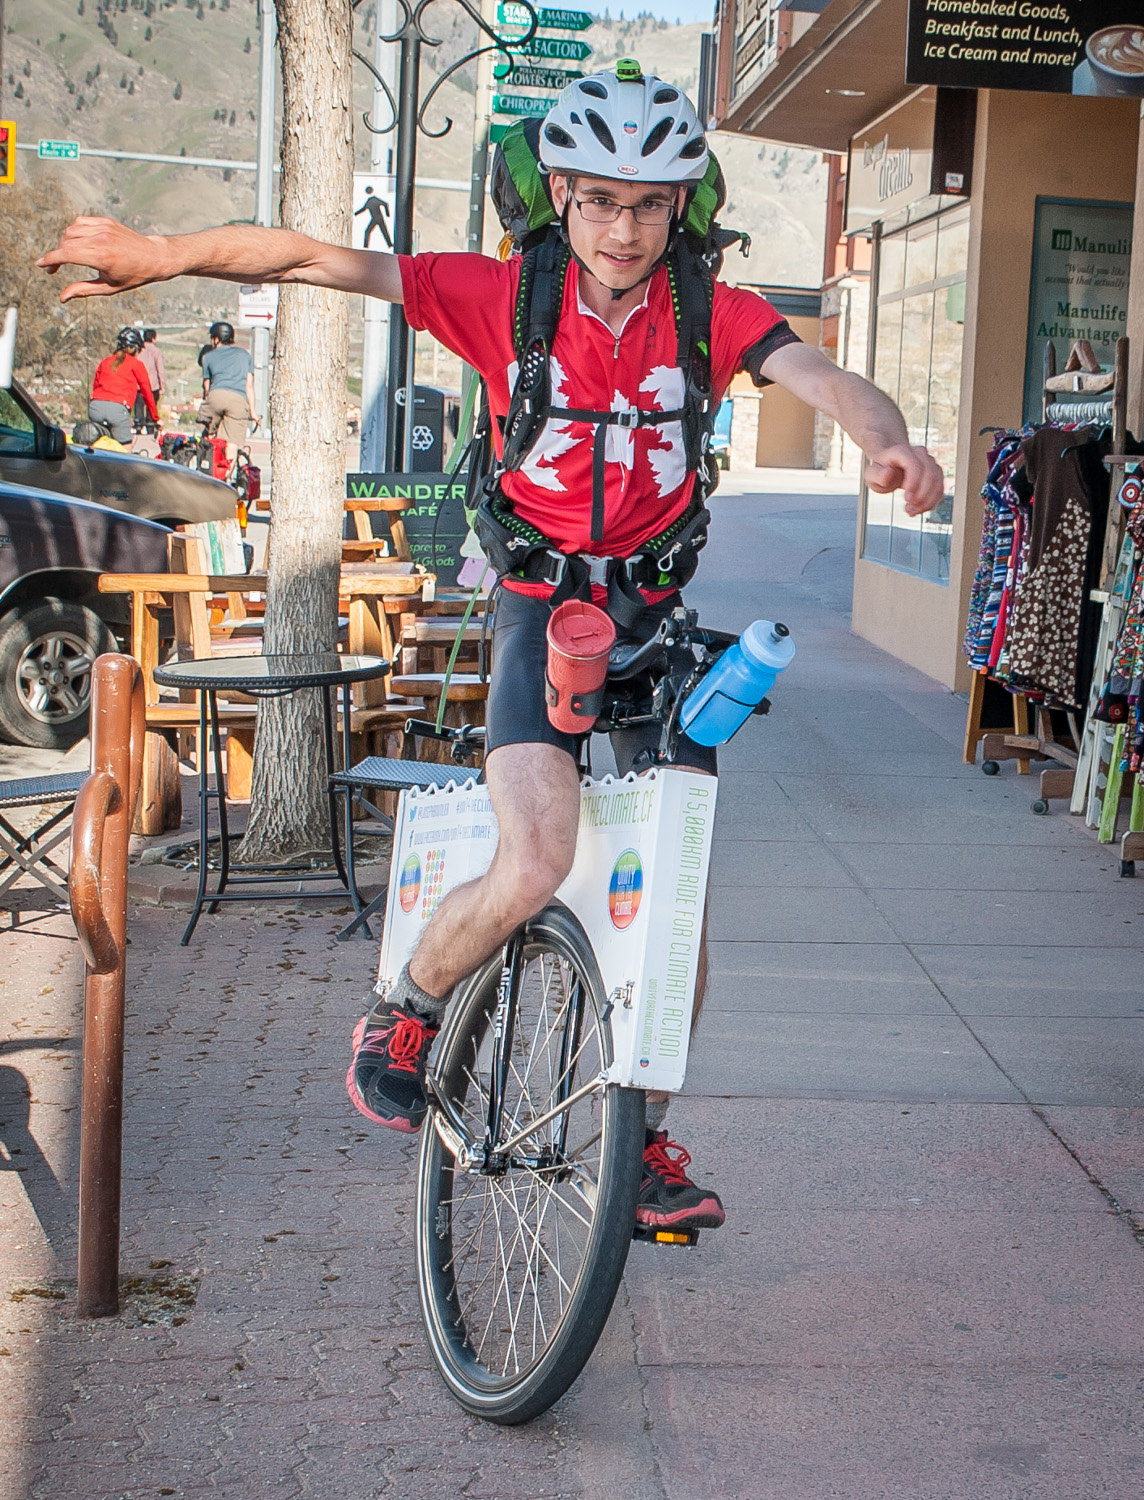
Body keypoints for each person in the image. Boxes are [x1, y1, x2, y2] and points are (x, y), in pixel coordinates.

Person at [38, 62, 944, 1233]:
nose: (623, 230)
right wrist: (165, 255)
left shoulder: (710, 314)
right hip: (537, 609)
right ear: (560, 192)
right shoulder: (499, 297)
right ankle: (407, 1007)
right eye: (600, 200)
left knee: (678, 915)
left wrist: (888, 440)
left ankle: (639, 1145)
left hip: (656, 624)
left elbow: (821, 375)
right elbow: (312, 258)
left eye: (649, 205)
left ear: (681, 207)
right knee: (534, 860)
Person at [200, 320, 258, 460]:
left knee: (208, 433)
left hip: (216, 395)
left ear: (216, 339)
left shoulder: (208, 356)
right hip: (238, 400)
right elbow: (249, 386)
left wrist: (209, 407)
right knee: (232, 442)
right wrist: (253, 413)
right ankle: (227, 471)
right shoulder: (245, 355)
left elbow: (207, 387)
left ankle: (207, 463)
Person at [87, 326, 157, 444]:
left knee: (96, 444)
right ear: (134, 348)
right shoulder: (136, 364)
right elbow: (147, 392)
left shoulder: (105, 361)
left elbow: (95, 386)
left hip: (95, 407)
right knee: (124, 448)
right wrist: (155, 418)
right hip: (118, 410)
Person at [133, 327, 165, 432]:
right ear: (154, 339)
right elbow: (160, 369)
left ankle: (138, 426)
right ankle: (150, 428)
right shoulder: (157, 351)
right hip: (153, 385)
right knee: (151, 407)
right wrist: (162, 385)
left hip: (139, 385)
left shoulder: (138, 351)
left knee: (139, 406)